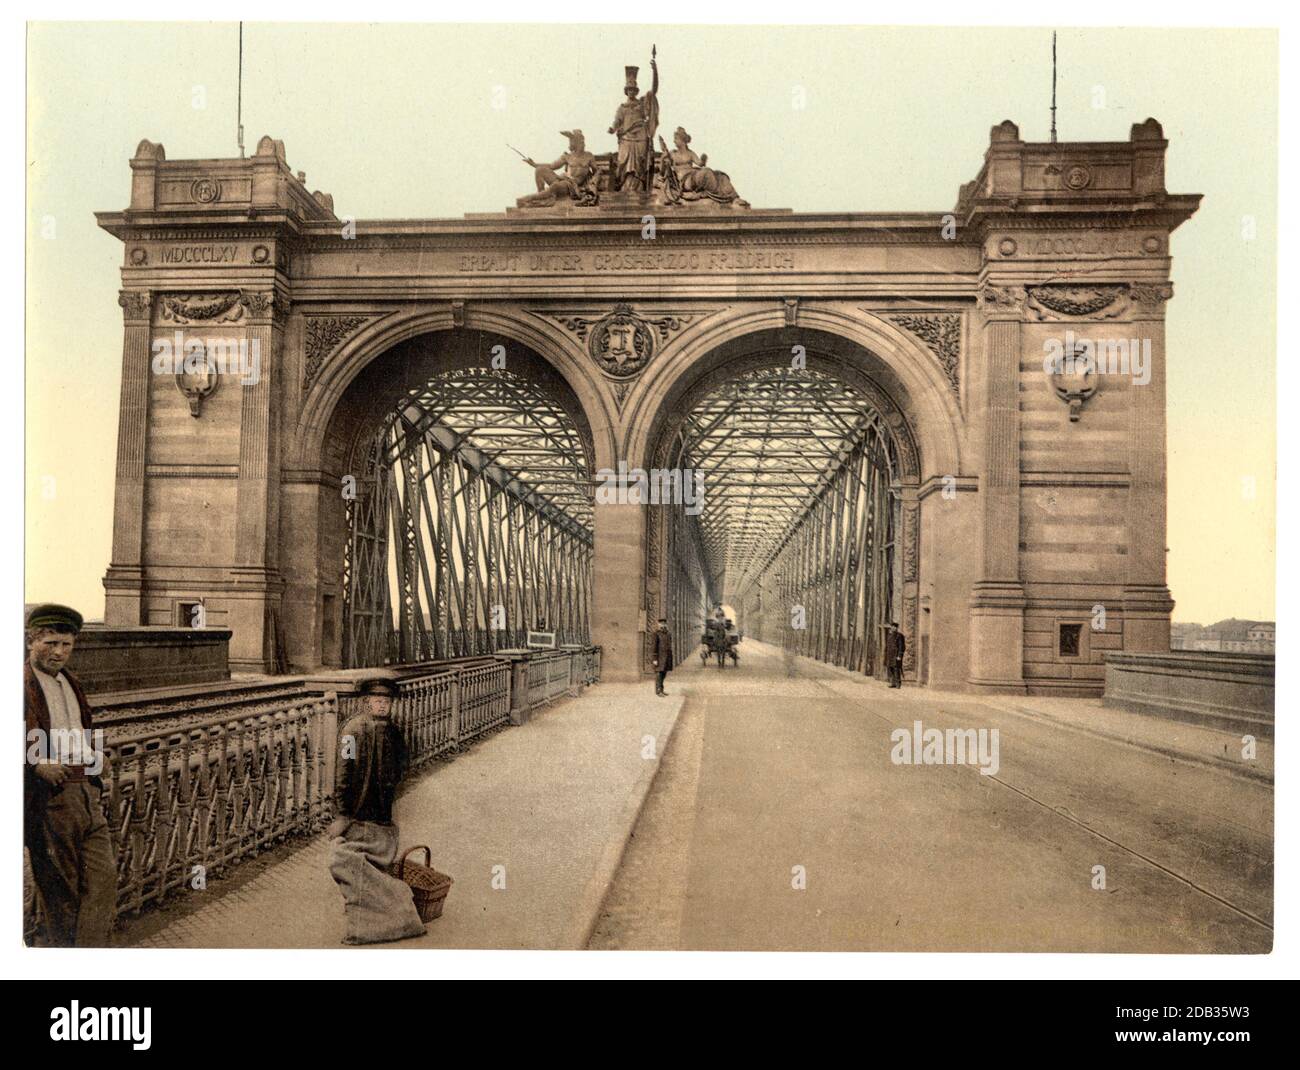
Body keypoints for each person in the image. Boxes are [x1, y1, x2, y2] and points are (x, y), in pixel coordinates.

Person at [23, 603, 116, 946]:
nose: (59, 652)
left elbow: (76, 732)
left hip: (87, 792)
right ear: (31, 641)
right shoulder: (20, 683)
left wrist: (96, 756)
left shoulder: (70, 682)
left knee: (103, 881)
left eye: (66, 644)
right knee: (61, 891)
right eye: (50, 643)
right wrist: (34, 763)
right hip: (51, 798)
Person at [327, 675, 426, 945]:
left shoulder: (394, 730)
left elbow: (405, 762)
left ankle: (375, 918)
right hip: (357, 810)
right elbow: (343, 773)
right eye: (377, 701)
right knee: (354, 861)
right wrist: (342, 813)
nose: (382, 706)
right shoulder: (351, 731)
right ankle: (375, 915)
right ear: (365, 702)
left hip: (382, 810)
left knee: (376, 862)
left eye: (386, 701)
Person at [657, 127, 749, 206]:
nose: (674, 141)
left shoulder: (690, 153)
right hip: (685, 182)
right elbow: (662, 172)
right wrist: (662, 160)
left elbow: (700, 164)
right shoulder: (672, 154)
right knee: (706, 173)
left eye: (676, 139)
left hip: (695, 175)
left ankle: (734, 198)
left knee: (721, 176)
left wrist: (703, 159)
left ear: (683, 141)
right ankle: (723, 196)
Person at [609, 57, 658, 192]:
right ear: (626, 91)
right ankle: (625, 187)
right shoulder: (622, 107)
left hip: (640, 137)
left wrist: (655, 71)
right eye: (629, 89)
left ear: (636, 91)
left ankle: (639, 187)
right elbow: (617, 121)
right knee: (622, 163)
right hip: (626, 138)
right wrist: (612, 128)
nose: (631, 91)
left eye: (633, 89)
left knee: (639, 165)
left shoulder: (642, 103)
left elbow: (654, 91)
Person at [517, 130, 598, 207]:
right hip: (563, 179)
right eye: (570, 140)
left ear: (578, 142)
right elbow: (552, 166)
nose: (570, 143)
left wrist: (592, 184)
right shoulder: (567, 156)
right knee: (540, 170)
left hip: (572, 186)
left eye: (571, 140)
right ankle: (542, 196)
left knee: (555, 186)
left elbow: (596, 171)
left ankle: (526, 199)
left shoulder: (588, 156)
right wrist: (534, 164)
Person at [651, 617, 674, 696]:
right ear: (659, 625)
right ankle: (658, 691)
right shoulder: (656, 634)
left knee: (664, 674)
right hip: (659, 657)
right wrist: (655, 658)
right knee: (659, 674)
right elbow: (654, 647)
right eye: (661, 624)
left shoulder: (668, 634)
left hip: (667, 657)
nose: (663, 625)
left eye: (664, 624)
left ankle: (661, 689)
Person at [885, 622, 906, 689]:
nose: (893, 628)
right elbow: (887, 646)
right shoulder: (889, 635)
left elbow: (901, 646)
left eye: (895, 627)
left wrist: (899, 655)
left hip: (896, 655)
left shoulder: (899, 636)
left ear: (897, 628)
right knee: (891, 669)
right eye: (892, 626)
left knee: (896, 669)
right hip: (890, 655)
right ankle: (893, 683)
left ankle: (898, 683)